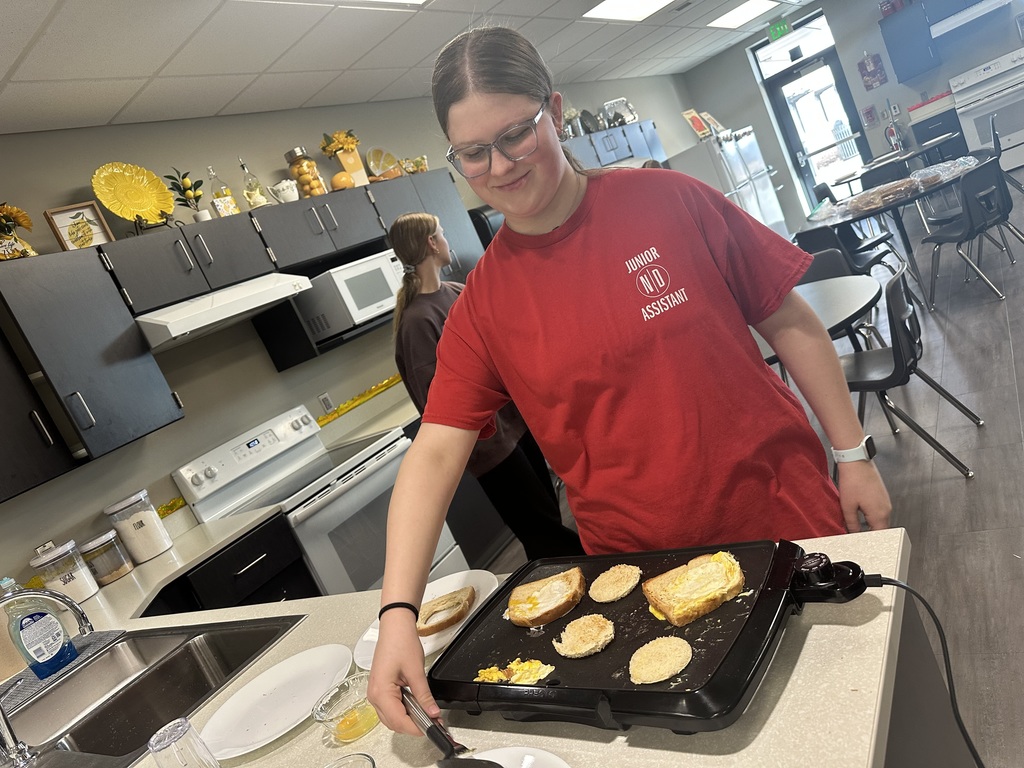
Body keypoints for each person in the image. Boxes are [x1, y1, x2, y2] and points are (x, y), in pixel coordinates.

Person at [368, 26, 891, 735]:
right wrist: (398, 611)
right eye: (473, 152)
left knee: (852, 723)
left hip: (784, 525)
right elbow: (434, 452)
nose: (499, 164)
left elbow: (789, 323)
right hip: (643, 580)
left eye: (516, 133)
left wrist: (853, 455)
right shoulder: (483, 303)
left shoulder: (671, 201)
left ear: (553, 112)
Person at [389, 211, 584, 560]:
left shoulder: (456, 292)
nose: (447, 240)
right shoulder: (417, 322)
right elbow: (438, 400)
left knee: (551, 517)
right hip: (490, 450)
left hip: (517, 427)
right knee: (544, 534)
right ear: (432, 243)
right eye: (443, 233)